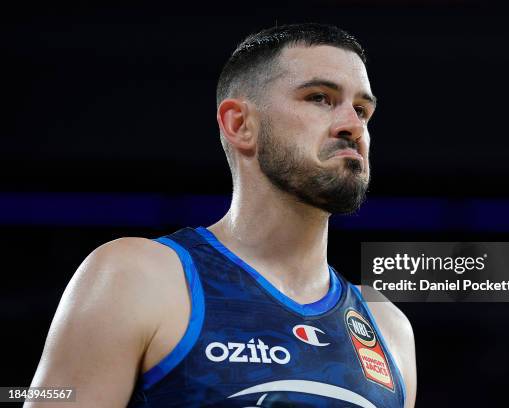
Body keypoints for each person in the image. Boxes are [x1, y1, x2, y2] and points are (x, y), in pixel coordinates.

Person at [28, 23, 417, 407]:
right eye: (320, 98)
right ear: (240, 124)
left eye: (363, 110)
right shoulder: (135, 276)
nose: (353, 126)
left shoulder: (388, 328)